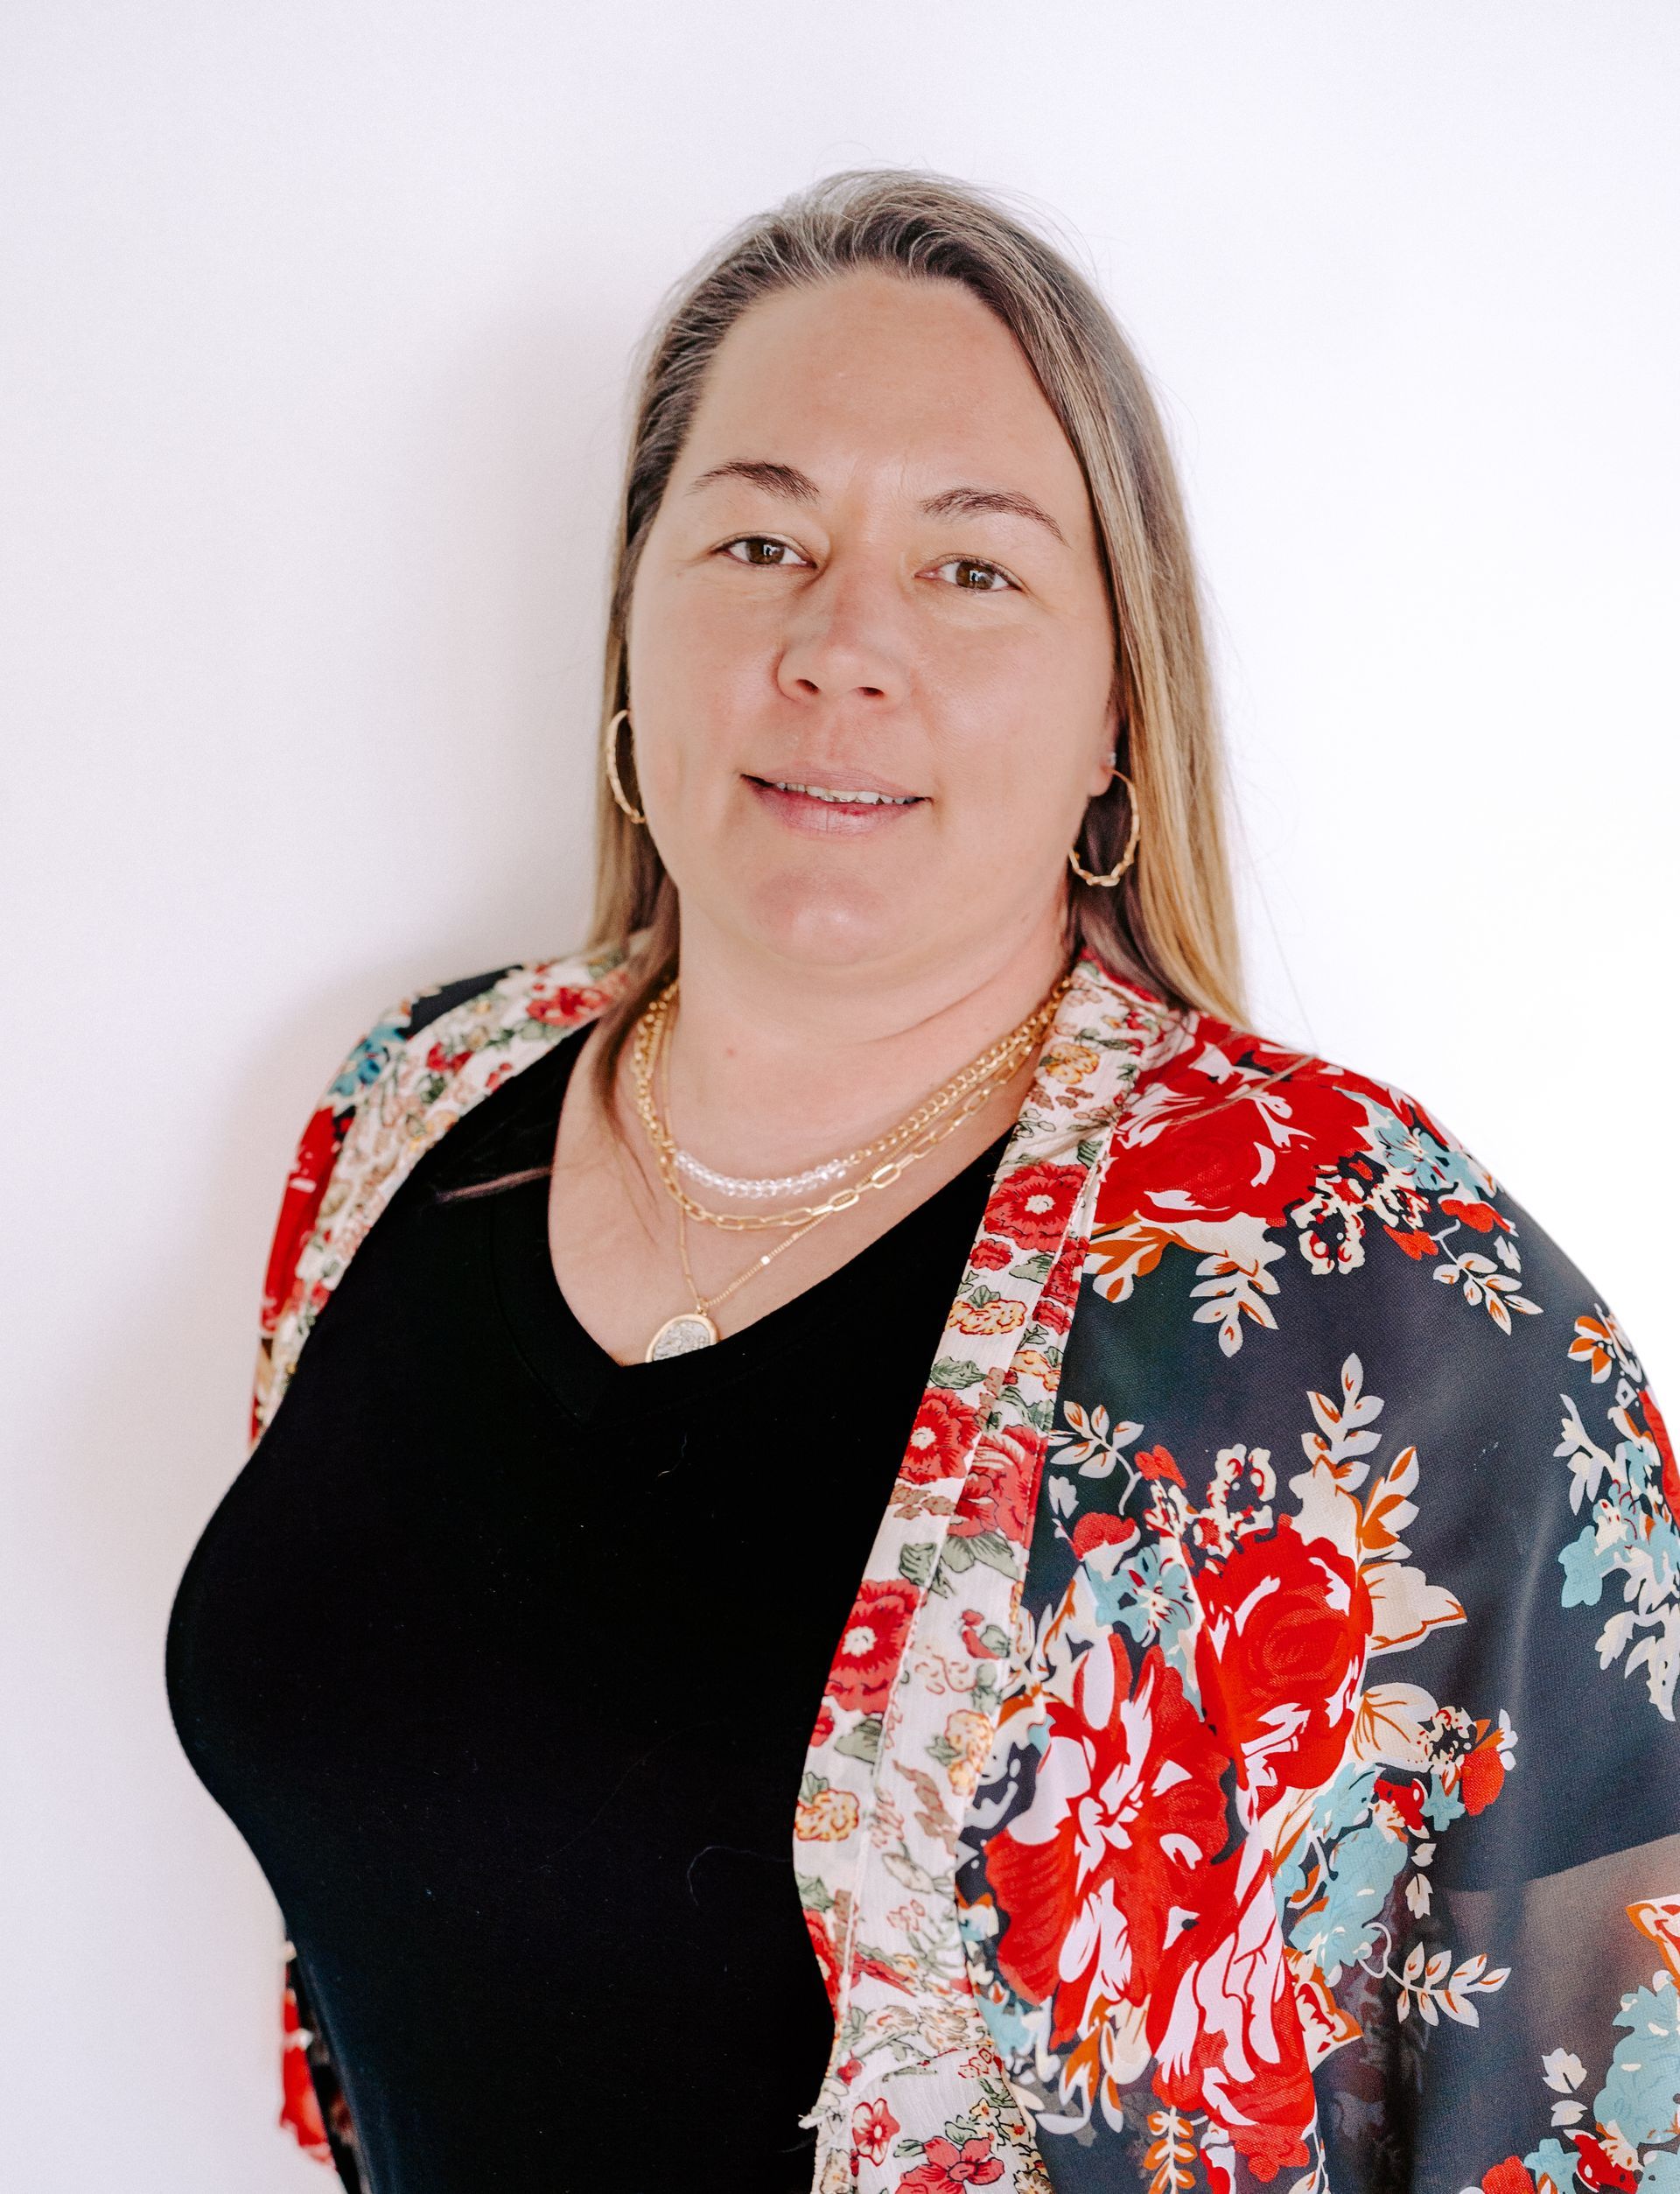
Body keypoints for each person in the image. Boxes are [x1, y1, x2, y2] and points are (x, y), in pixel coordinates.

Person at [165, 169, 1680, 2194]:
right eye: (760, 536)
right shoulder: (410, 1113)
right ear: (634, 628)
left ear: (1119, 714)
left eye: (972, 572)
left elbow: (1616, 2098)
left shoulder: (1374, 1281)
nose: (840, 641)